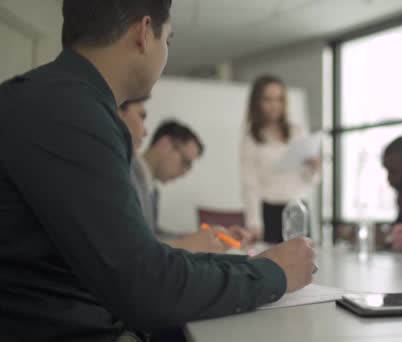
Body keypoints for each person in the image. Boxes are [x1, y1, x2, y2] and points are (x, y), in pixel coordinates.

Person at [0, 1, 315, 341]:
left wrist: (257, 266)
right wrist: (272, 275)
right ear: (144, 32)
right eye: (168, 40)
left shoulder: (56, 100)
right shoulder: (69, 113)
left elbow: (139, 261)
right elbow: (145, 286)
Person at [118, 100, 226, 253]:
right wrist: (186, 243)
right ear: (165, 144)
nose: (185, 172)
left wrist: (194, 238)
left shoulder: (150, 187)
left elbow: (152, 233)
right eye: (185, 162)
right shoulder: (127, 174)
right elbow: (135, 243)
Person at [240, 74, 320, 243]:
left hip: (298, 207)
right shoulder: (251, 138)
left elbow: (309, 180)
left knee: (303, 262)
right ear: (257, 103)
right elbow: (250, 184)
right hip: (270, 211)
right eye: (268, 99)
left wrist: (315, 167)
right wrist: (253, 222)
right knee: (273, 264)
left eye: (279, 99)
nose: (274, 105)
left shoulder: (297, 131)